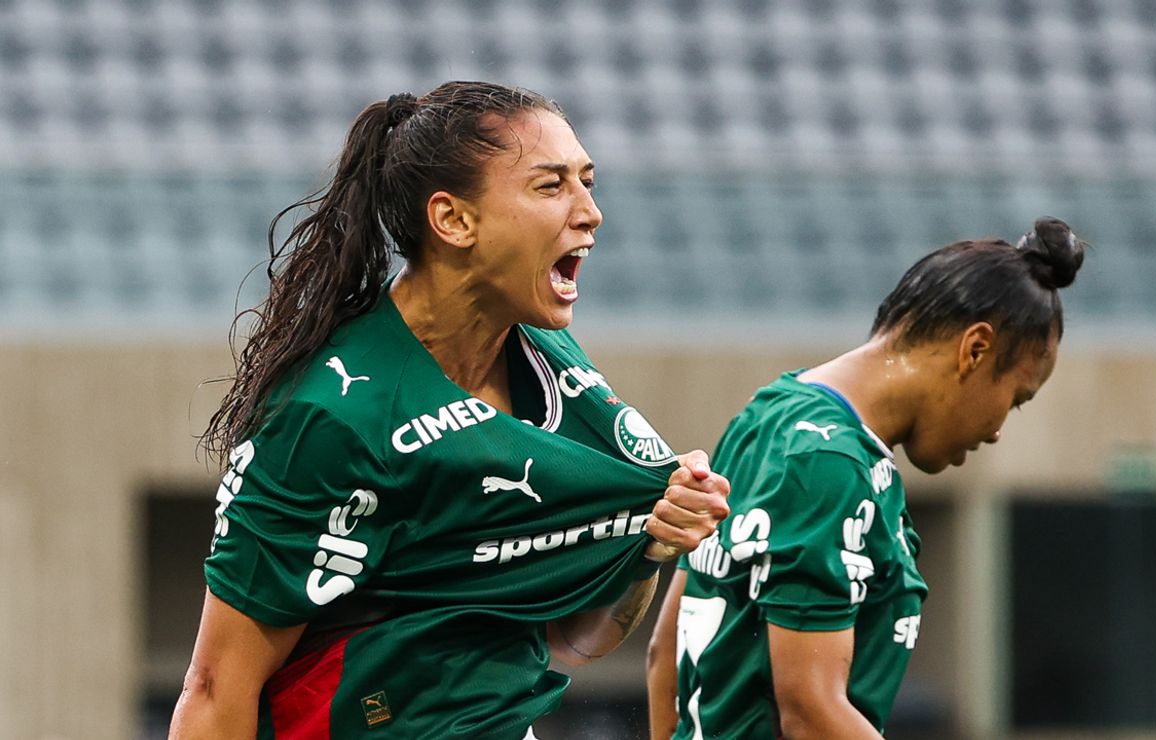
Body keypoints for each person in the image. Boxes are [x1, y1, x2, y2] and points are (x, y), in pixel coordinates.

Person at [168, 81, 730, 740]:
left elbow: (577, 638)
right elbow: (214, 688)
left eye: (588, 182)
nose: (590, 211)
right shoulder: (330, 417)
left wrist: (650, 542)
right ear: (454, 220)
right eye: (551, 187)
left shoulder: (551, 360)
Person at [646, 218, 1087, 739]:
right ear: (975, 349)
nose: (996, 431)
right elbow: (811, 713)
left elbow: (663, 655)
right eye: (1015, 399)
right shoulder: (829, 463)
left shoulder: (768, 414)